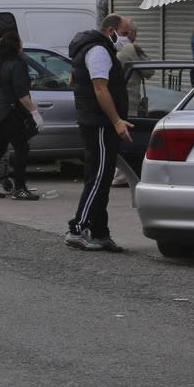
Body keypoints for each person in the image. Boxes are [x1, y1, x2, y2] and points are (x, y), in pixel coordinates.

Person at [66, 14, 133, 253]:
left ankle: (100, 231)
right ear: (111, 30)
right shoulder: (98, 51)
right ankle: (78, 228)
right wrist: (116, 121)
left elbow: (73, 80)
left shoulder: (85, 49)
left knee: (99, 179)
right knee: (98, 179)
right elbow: (100, 88)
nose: (127, 38)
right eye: (124, 33)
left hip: (92, 120)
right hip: (100, 124)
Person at [0, 31, 42, 201]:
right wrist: (35, 113)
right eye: (20, 42)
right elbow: (21, 94)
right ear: (15, 46)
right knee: (22, 148)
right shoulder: (17, 64)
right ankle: (20, 189)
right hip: (12, 113)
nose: (22, 45)